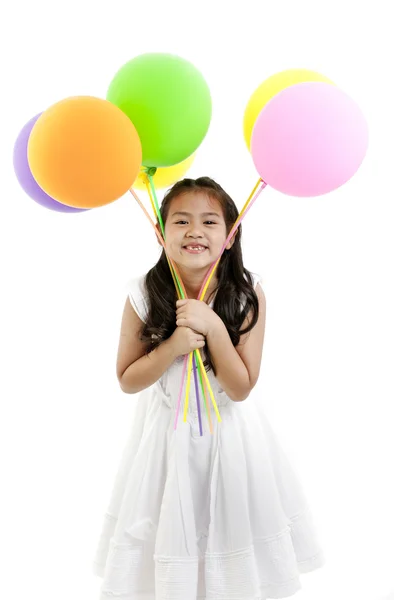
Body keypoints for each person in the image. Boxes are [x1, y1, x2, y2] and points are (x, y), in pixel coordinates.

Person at [93, 177, 325, 599]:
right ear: (161, 232)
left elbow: (240, 388)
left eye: (209, 221)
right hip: (166, 438)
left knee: (229, 526)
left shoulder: (246, 294)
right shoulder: (143, 294)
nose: (195, 231)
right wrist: (173, 346)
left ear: (230, 235)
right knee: (170, 527)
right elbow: (127, 379)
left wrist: (214, 327)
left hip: (231, 437)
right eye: (181, 221)